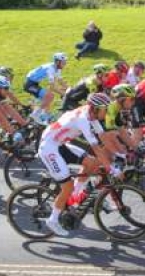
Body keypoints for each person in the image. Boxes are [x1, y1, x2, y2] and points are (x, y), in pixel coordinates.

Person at [38, 92, 117, 237]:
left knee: (91, 163)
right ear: (95, 108)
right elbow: (97, 148)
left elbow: (104, 138)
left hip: (60, 144)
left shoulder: (91, 115)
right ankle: (53, 220)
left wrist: (120, 154)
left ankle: (75, 196)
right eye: (104, 109)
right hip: (49, 147)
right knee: (66, 186)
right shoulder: (83, 119)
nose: (106, 112)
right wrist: (111, 168)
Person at [24, 53, 68, 121]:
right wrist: (65, 94)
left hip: (35, 83)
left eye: (65, 62)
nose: (65, 64)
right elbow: (53, 87)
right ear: (57, 62)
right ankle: (34, 115)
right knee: (50, 96)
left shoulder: (57, 68)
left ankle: (45, 115)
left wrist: (70, 89)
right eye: (63, 62)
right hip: (29, 84)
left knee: (49, 95)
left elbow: (60, 81)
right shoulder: (50, 69)